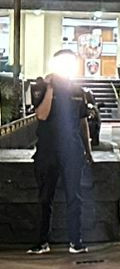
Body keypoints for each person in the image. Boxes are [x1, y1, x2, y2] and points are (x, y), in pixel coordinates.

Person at [28, 52, 93, 254]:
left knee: (74, 197)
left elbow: (83, 122)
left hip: (72, 150)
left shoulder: (77, 91)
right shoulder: (41, 87)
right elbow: (42, 114)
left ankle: (76, 241)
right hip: (48, 150)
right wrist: (51, 87)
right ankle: (42, 242)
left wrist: (88, 151)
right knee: (45, 198)